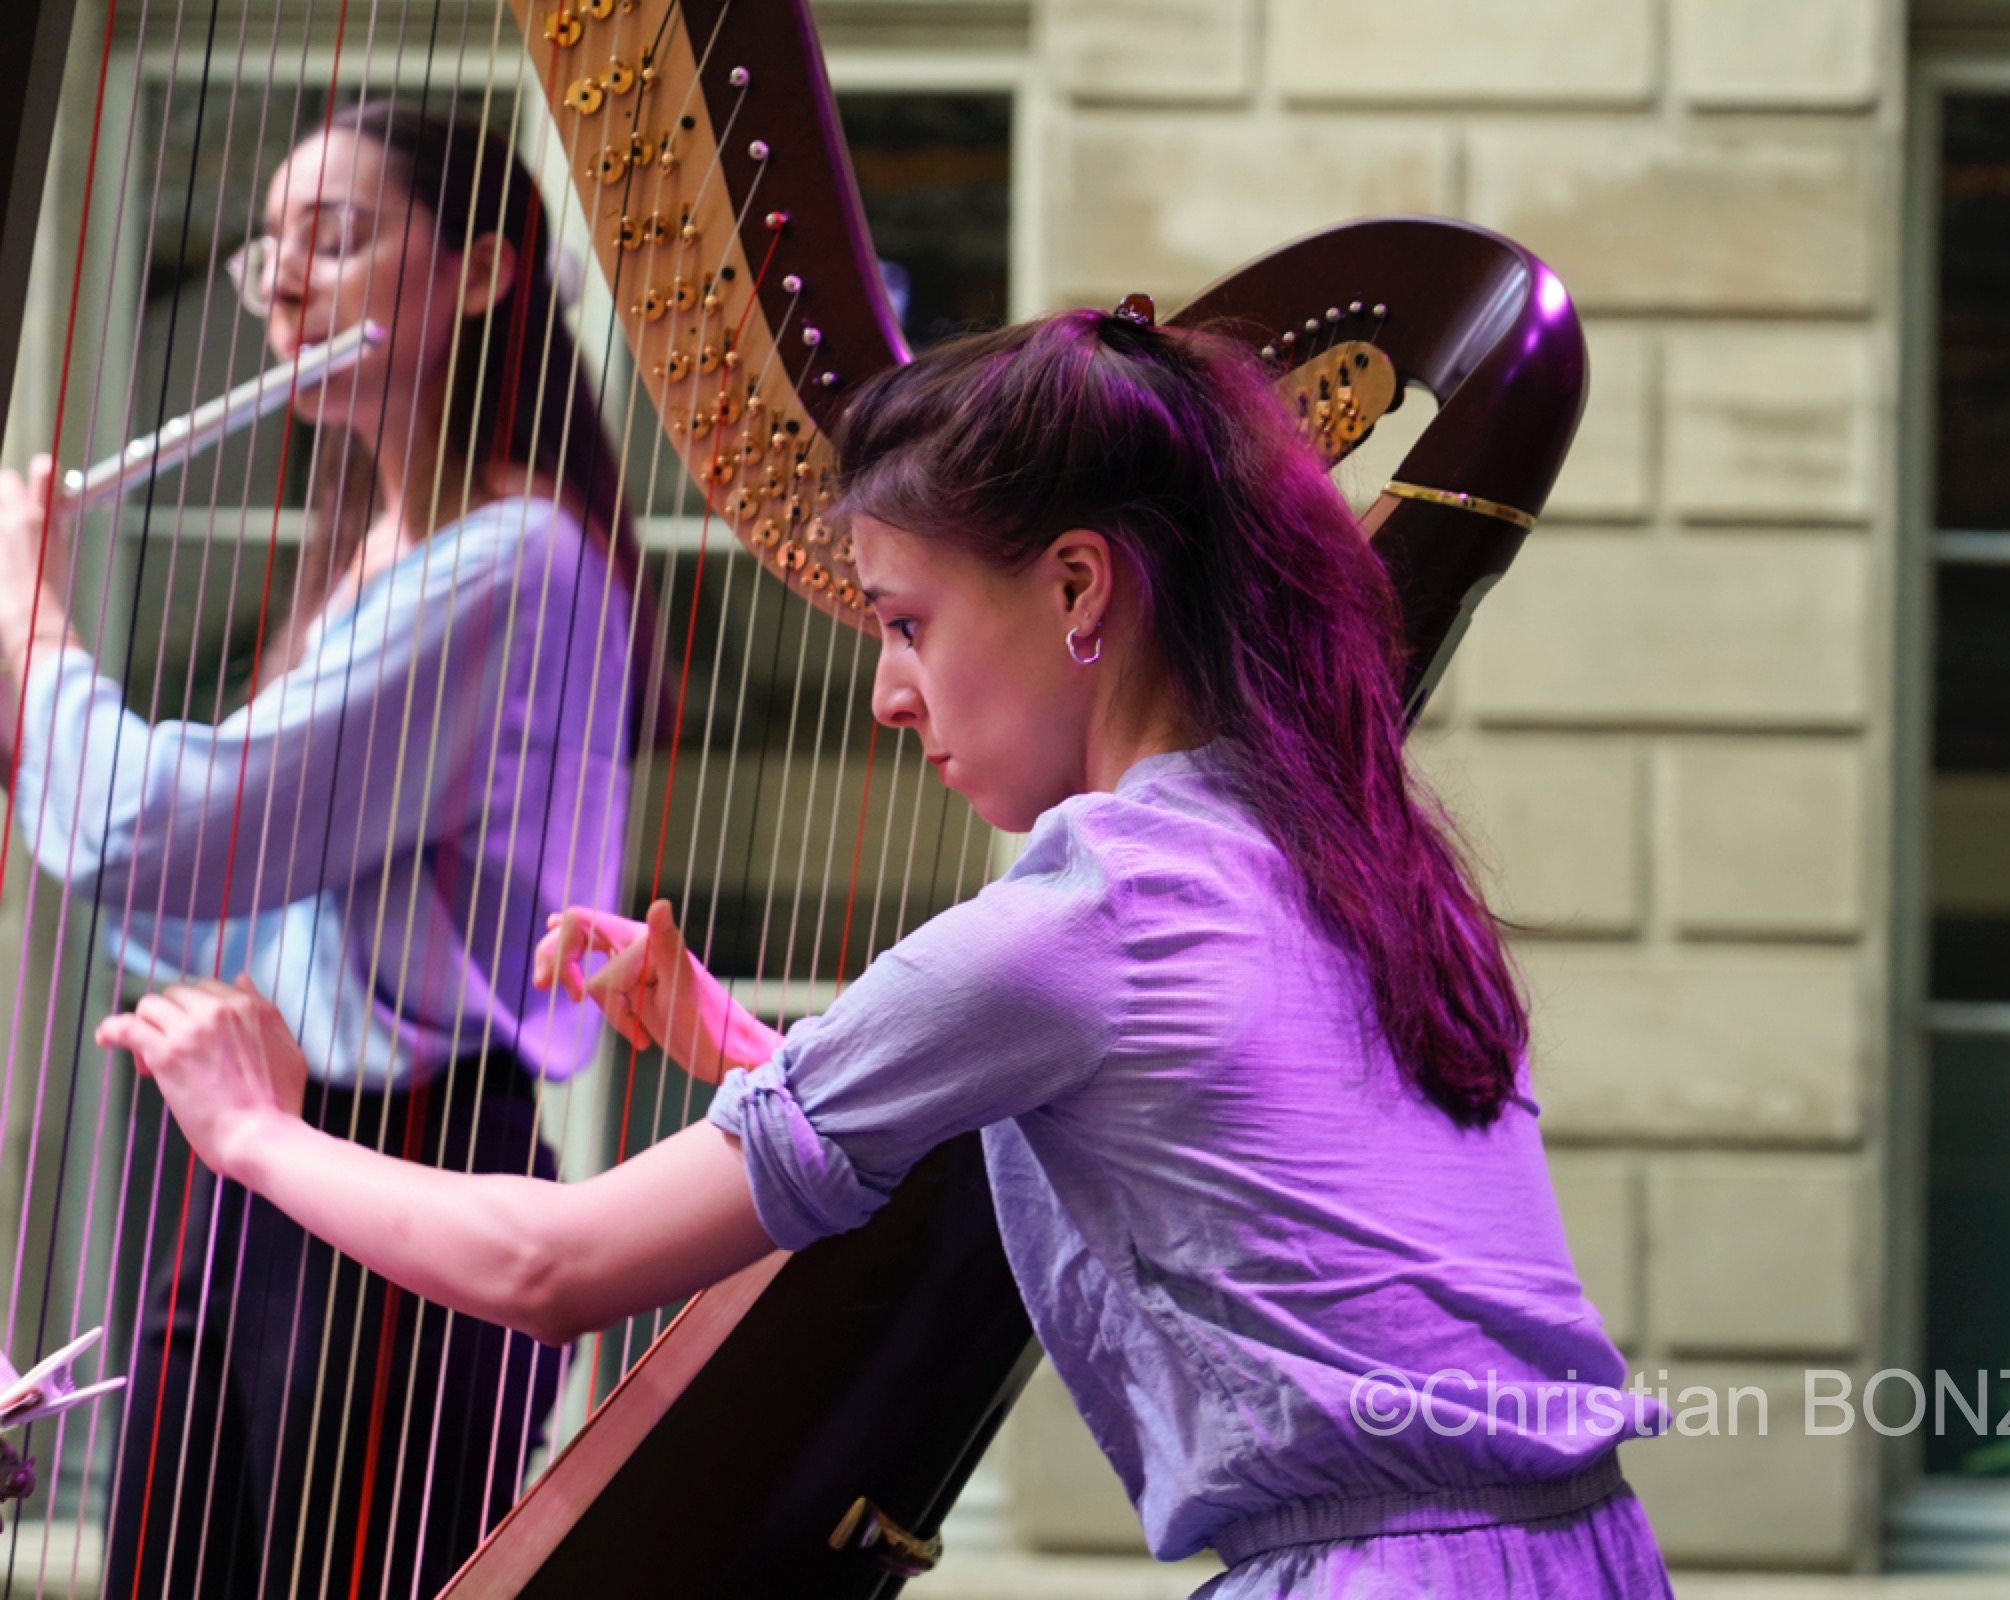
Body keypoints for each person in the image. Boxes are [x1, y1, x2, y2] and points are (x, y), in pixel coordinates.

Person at [95, 305, 1675, 1597]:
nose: (885, 695)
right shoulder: (1345, 857)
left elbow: (552, 1270)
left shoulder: (1083, 917)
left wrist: (251, 1132)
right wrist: (759, 1059)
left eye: (907, 623)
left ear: (1076, 588)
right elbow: (1199, 1167)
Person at [0, 100, 641, 1599]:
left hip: (404, 1173)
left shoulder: (519, 559)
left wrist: (30, 630)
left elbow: (176, 834)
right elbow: (193, 885)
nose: (282, 286)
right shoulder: (370, 554)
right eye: (265, 251)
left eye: (335, 239)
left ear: (483, 273)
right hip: (254, 1164)